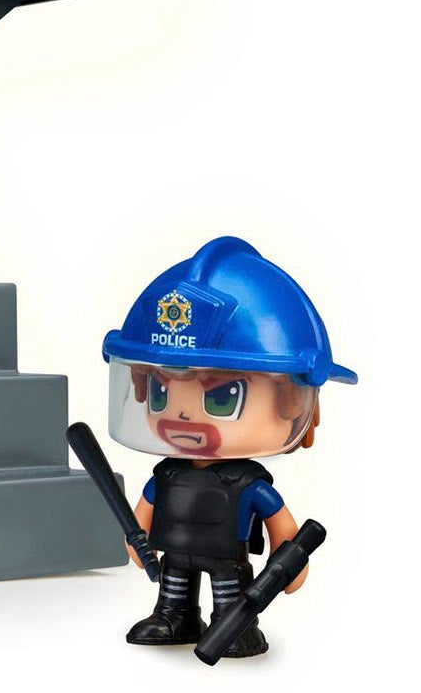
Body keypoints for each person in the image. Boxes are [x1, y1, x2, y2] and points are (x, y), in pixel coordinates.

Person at [100, 236, 355, 657]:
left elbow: (283, 529)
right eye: (161, 393)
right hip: (175, 553)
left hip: (225, 559)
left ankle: (233, 625)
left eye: (221, 399)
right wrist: (137, 538)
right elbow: (142, 517)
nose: (183, 416)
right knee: (174, 586)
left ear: (293, 403)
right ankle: (175, 616)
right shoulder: (168, 474)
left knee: (230, 595)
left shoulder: (247, 483)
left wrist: (289, 560)